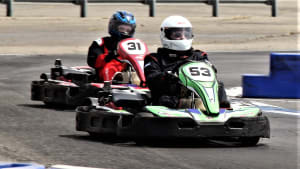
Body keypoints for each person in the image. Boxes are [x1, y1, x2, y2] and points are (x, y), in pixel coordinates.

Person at [144, 15, 230, 108]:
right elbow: (151, 79)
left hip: (199, 93)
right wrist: (169, 76)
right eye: (177, 35)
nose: (182, 37)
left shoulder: (199, 56)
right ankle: (188, 105)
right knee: (164, 100)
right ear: (165, 35)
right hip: (172, 96)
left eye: (186, 34)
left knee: (219, 85)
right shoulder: (155, 58)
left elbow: (211, 74)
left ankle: (220, 107)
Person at [87, 10, 136, 82]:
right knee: (110, 68)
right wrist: (112, 54)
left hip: (129, 72)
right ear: (113, 26)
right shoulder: (101, 43)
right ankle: (116, 80)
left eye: (128, 29)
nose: (125, 32)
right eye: (122, 28)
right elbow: (93, 62)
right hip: (107, 78)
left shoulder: (133, 44)